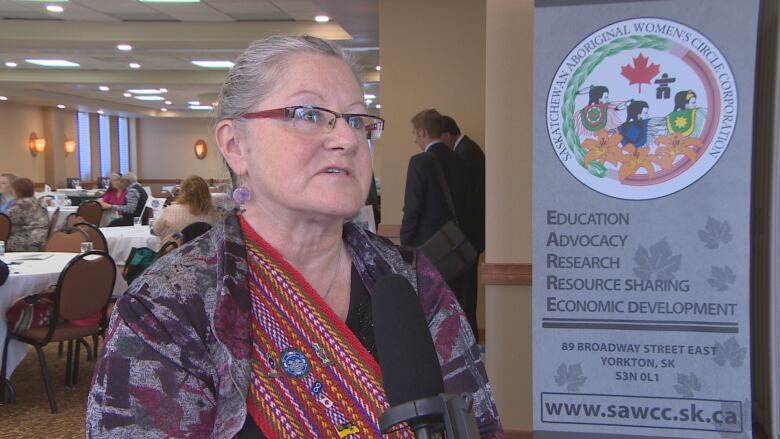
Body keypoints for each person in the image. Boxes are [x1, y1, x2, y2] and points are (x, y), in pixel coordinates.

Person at [87, 36, 503, 438]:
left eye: (357, 120)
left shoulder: (410, 279)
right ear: (235, 146)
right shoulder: (168, 309)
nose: (346, 139)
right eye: (307, 114)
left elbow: (477, 424)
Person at [441, 115, 485, 338]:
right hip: (471, 236)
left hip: (468, 236)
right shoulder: (469, 150)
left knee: (465, 295)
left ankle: (468, 339)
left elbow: (467, 201)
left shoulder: (466, 154)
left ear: (447, 135)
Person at [151, 175, 218, 240]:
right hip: (204, 250)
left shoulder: (171, 210)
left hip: (175, 251)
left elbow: (156, 231)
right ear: (206, 192)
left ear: (183, 192)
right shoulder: (214, 213)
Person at [6, 177, 48, 252]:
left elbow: (4, 221)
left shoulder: (21, 205)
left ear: (17, 191)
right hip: (40, 239)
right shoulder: (35, 201)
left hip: (26, 241)